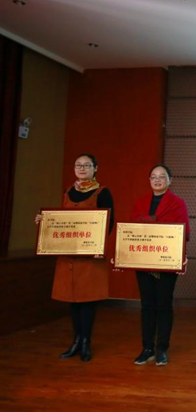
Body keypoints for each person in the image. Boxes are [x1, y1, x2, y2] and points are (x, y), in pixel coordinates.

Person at [35, 153, 115, 362]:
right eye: (78, 165)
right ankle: (76, 341)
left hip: (89, 257)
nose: (82, 168)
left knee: (87, 301)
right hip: (68, 256)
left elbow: (108, 224)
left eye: (87, 165)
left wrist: (92, 243)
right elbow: (63, 221)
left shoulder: (102, 192)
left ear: (95, 168)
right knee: (72, 299)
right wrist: (46, 223)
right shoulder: (68, 191)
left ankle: (86, 342)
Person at [129, 164, 190, 366]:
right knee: (147, 305)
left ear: (170, 180)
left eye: (162, 176)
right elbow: (131, 229)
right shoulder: (140, 202)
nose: (157, 180)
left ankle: (161, 348)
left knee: (164, 305)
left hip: (166, 260)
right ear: (149, 180)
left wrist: (182, 256)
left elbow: (183, 232)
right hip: (143, 259)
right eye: (153, 176)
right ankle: (147, 348)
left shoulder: (177, 203)